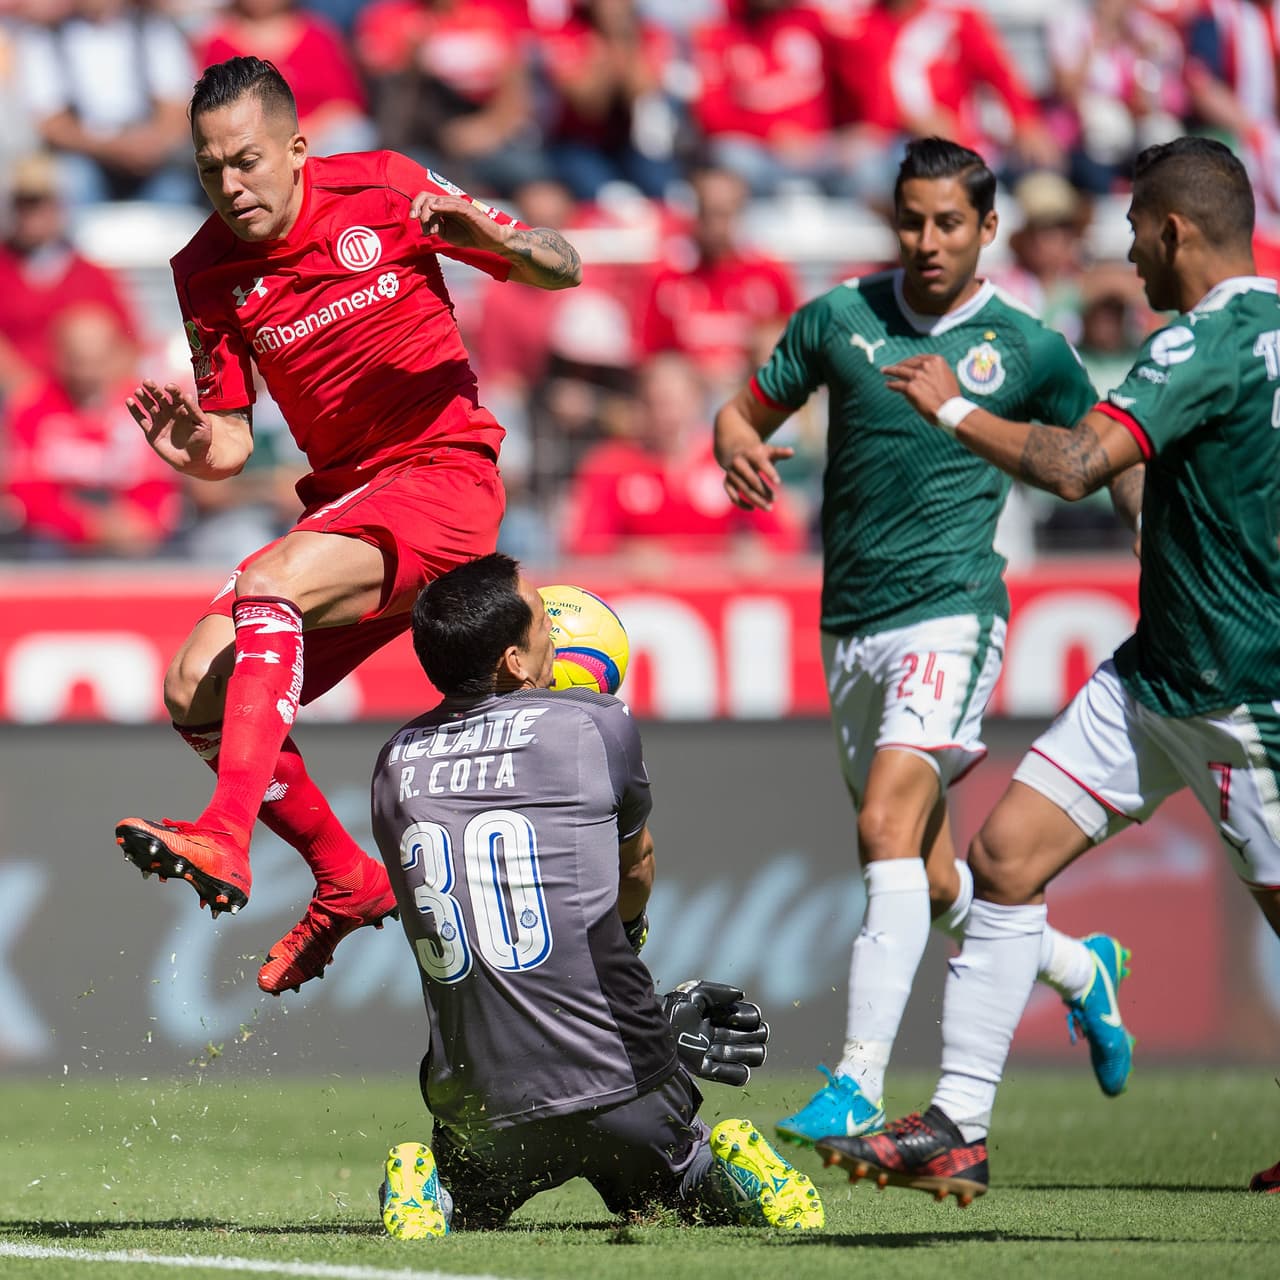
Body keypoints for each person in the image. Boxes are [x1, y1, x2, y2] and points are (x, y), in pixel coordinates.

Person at [816, 136, 1280, 1200]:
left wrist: (947, 406)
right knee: (1004, 857)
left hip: (1240, 692)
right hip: (1153, 671)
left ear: (1171, 232)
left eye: (1131, 234)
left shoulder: (1197, 342)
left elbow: (1074, 464)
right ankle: (956, 1124)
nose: (1126, 255)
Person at [112, 56, 582, 998]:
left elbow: (563, 267)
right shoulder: (205, 272)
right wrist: (190, 441)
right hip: (348, 512)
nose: (230, 185)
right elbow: (232, 442)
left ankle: (227, 833)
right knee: (189, 688)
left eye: (245, 161)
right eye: (210, 170)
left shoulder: (388, 186)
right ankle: (346, 880)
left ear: (296, 147)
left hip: (445, 479)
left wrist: (492, 234)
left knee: (271, 582)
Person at [712, 136, 1135, 1150]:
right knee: (933, 879)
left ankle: (856, 1081)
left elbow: (1106, 456)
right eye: (910, 220)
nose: (926, 239)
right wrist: (732, 438)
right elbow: (744, 409)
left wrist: (1167, 548)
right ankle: (1084, 968)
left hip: (951, 610)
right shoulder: (836, 319)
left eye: (948, 222)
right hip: (847, 625)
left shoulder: (1027, 348)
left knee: (881, 821)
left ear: (986, 228)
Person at [369, 552, 824, 1236]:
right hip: (624, 1087)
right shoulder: (595, 723)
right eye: (542, 615)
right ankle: (721, 1163)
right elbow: (634, 869)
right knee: (677, 1184)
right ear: (516, 662)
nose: (553, 621)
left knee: (470, 1204)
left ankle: (431, 1187)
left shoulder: (393, 762)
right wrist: (643, 976)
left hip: (482, 1106)